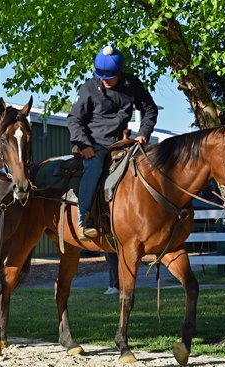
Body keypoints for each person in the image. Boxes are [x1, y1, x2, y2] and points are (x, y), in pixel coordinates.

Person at [67, 45, 158, 240]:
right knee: (94, 169)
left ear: (119, 72)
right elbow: (74, 120)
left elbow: (149, 109)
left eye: (109, 77)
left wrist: (144, 133)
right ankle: (85, 219)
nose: (105, 80)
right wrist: (84, 145)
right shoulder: (89, 88)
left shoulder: (132, 84)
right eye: (101, 76)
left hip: (124, 142)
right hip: (94, 144)